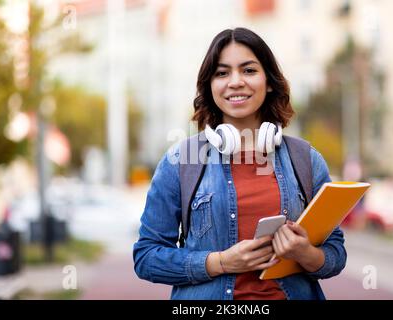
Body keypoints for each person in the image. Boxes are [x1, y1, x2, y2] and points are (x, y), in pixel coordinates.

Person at [133, 27, 346, 300]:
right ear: (210, 86)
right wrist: (220, 262)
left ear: (269, 81)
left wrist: (306, 254)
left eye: (248, 70)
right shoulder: (180, 161)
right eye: (222, 73)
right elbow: (147, 257)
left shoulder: (306, 159)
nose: (235, 82)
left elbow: (336, 254)